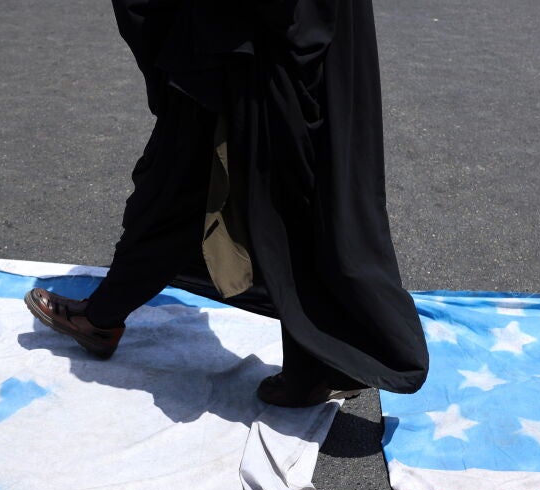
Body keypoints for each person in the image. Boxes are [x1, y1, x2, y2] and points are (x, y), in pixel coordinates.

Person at [25, 0, 429, 407]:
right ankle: (321, 363)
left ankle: (102, 318)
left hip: (247, 37)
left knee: (194, 178)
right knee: (287, 182)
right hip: (284, 30)